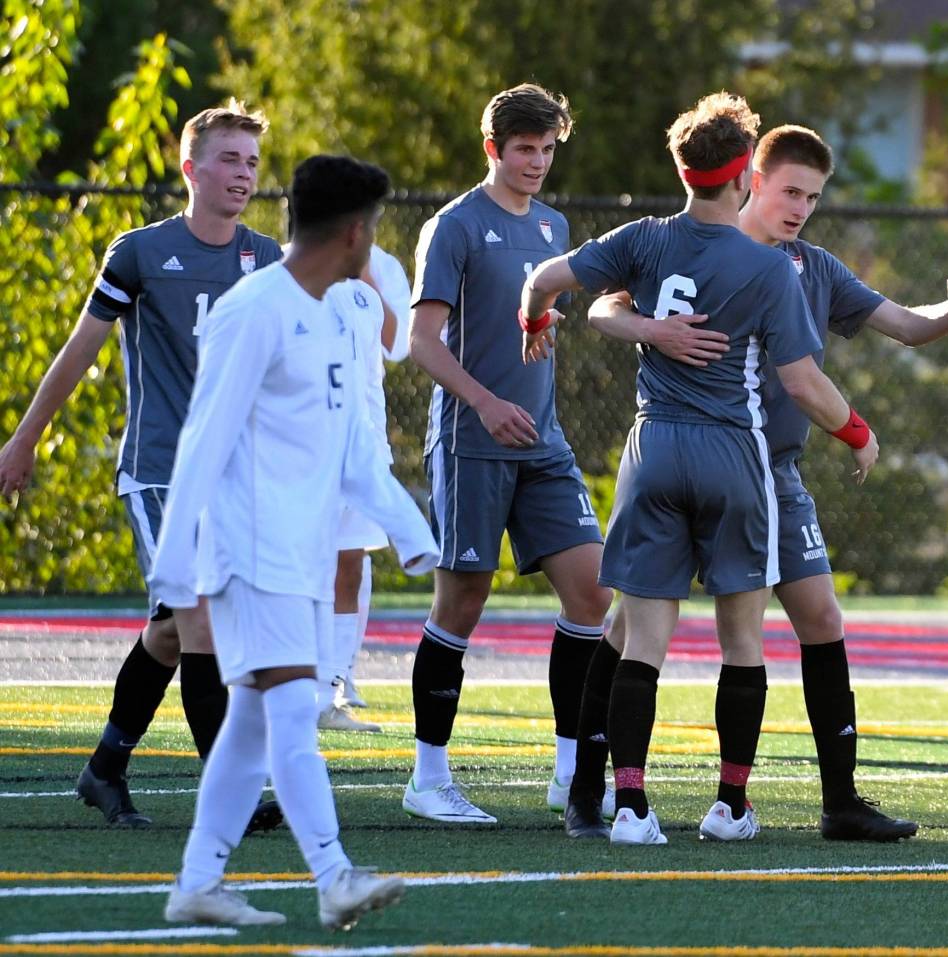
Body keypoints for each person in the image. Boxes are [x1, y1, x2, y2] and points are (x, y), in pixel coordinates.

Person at [587, 124, 948, 841]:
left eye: (814, 196)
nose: (801, 206)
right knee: (630, 626)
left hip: (773, 477)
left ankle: (840, 802)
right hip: (703, 458)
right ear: (751, 180)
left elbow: (901, 322)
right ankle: (595, 788)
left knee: (821, 618)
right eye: (790, 190)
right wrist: (653, 327)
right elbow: (609, 302)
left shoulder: (811, 266)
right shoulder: (694, 243)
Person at [520, 92, 878, 845]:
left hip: (653, 451)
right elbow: (804, 382)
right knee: (740, 639)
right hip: (733, 458)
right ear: (745, 173)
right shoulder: (768, 267)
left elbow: (546, 280)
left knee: (637, 635)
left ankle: (627, 804)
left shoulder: (644, 238)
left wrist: (534, 322)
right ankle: (730, 805)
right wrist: (856, 430)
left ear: (682, 169)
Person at [149, 153, 439, 928]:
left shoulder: (338, 313)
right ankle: (333, 873)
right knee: (292, 710)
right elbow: (202, 444)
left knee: (250, 728)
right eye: (373, 229)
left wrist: (414, 535)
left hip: (301, 556)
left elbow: (352, 451)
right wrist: (172, 575)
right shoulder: (255, 309)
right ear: (354, 232)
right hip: (251, 554)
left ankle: (197, 883)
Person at [0, 102, 283, 832]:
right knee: (201, 618)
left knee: (170, 629)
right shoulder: (140, 252)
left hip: (238, 478)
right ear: (189, 168)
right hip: (162, 471)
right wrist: (26, 438)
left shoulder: (269, 260)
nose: (243, 173)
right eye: (229, 158)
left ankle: (104, 768)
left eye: (252, 161)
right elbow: (78, 352)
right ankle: (233, 792)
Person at [405, 83, 613, 824]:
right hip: (471, 440)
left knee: (593, 592)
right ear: (493, 148)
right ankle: (428, 777)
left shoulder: (555, 226)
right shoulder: (453, 226)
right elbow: (423, 342)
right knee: (462, 599)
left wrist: (536, 328)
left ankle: (570, 772)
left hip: (544, 441)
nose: (537, 162)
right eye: (525, 148)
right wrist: (487, 403)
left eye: (549, 149)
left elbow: (536, 314)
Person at [318, 246, 414, 732]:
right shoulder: (295, 278)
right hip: (312, 450)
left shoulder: (368, 288)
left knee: (350, 562)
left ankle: (332, 688)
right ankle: (296, 684)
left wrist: (366, 273)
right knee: (306, 566)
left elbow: (398, 342)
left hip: (366, 449)